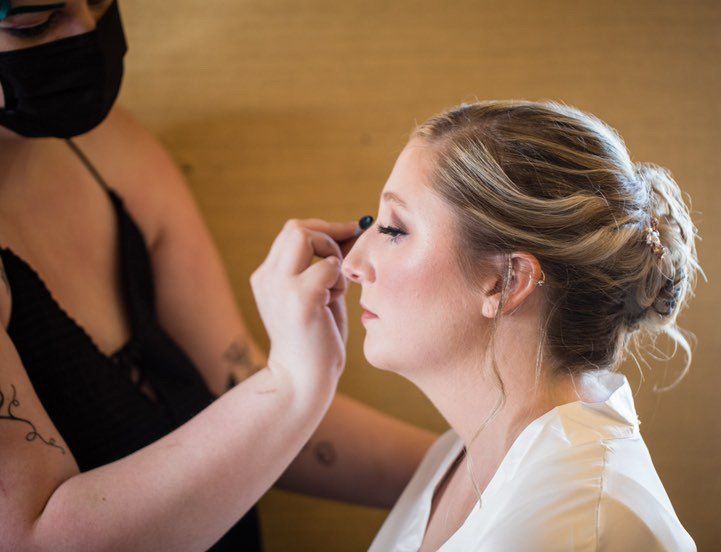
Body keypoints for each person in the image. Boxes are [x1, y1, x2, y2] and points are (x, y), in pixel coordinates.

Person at [0, 1, 435, 550]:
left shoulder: (112, 150)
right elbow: (32, 540)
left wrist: (488, 464)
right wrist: (291, 386)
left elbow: (236, 390)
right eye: (33, 21)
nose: (87, 32)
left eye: (100, 0)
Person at [342, 100, 700, 551]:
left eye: (395, 230)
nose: (352, 263)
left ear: (506, 281)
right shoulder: (456, 457)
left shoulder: (581, 527)